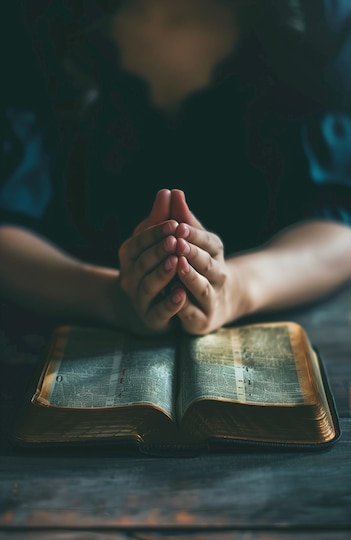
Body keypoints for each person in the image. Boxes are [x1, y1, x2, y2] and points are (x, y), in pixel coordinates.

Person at [1, 0, 351, 337]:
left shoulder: (319, 17)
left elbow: (340, 220)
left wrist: (238, 288)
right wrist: (106, 296)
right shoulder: (31, 15)